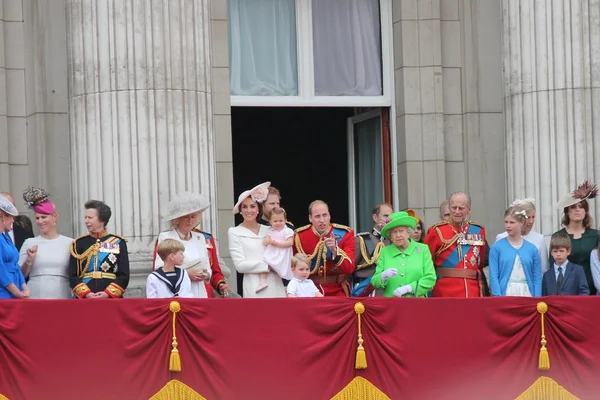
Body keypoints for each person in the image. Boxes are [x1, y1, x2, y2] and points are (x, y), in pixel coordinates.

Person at [153, 192, 229, 298]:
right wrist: (185, 274)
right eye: (185, 217)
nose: (190, 220)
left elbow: (208, 267)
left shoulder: (201, 238)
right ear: (177, 219)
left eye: (193, 216)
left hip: (200, 292)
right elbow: (159, 268)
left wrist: (205, 274)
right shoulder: (166, 237)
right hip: (176, 292)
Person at [424, 192, 487, 297]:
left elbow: (479, 262)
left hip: (472, 290)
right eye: (453, 208)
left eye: (461, 208)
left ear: (469, 209)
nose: (457, 211)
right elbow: (427, 262)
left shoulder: (478, 230)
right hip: (445, 291)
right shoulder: (437, 231)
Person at [229, 182, 285, 298]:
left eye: (252, 206)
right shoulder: (234, 232)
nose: (249, 210)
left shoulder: (270, 229)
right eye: (245, 207)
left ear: (258, 208)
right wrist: (268, 266)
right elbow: (240, 265)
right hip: (253, 287)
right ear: (240, 210)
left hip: (276, 284)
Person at [18, 187, 72, 299]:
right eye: (37, 218)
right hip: (35, 295)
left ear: (55, 217)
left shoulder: (70, 243)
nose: (40, 221)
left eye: (44, 217)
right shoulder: (29, 242)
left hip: (62, 295)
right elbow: (20, 275)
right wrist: (29, 260)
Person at [69, 200, 130, 299]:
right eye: (85, 217)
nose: (86, 221)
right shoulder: (79, 244)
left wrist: (108, 293)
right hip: (84, 298)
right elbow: (73, 275)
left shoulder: (118, 242)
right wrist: (86, 293)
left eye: (90, 218)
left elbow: (124, 275)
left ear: (101, 219)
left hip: (110, 298)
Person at [293, 200, 355, 297]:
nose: (322, 220)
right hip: (309, 291)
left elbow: (349, 269)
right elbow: (293, 267)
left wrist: (335, 251)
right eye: (317, 216)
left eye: (325, 215)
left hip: (337, 290)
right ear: (310, 218)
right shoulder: (299, 237)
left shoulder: (345, 234)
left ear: (329, 215)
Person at [371, 211, 436, 297]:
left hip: (417, 304)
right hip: (392, 304)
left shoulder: (423, 249)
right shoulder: (385, 252)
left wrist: (410, 288)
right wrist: (383, 276)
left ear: (408, 233)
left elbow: (430, 278)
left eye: (401, 231)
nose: (398, 235)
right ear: (390, 236)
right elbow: (374, 282)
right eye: (394, 232)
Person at [552, 181, 600, 295]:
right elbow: (552, 266)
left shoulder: (596, 235)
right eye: (573, 207)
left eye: (581, 207)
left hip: (592, 291)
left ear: (585, 211)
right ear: (567, 212)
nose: (577, 210)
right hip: (566, 291)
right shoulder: (558, 236)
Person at [489, 206, 541, 297]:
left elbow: (537, 277)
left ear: (521, 223)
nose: (508, 226)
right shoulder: (497, 247)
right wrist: (497, 296)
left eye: (512, 222)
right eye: (506, 222)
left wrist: (537, 298)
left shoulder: (532, 249)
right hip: (505, 294)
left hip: (527, 293)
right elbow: (493, 275)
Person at [495, 198, 549, 275]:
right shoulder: (501, 238)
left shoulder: (539, 239)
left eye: (533, 217)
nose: (531, 222)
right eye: (528, 217)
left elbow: (544, 269)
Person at [353, 203, 392, 297]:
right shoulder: (363, 239)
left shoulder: (392, 241)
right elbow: (351, 269)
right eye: (385, 216)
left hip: (387, 291)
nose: (388, 220)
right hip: (367, 290)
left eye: (390, 217)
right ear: (375, 218)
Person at [0, 194, 29, 299]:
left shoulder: (6, 238)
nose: (13, 221)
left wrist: (24, 287)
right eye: (11, 217)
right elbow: (1, 270)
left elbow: (15, 266)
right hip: (3, 294)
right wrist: (17, 292)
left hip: (15, 292)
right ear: (3, 217)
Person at [259, 207, 294, 293]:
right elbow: (265, 241)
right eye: (275, 221)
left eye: (280, 221)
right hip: (272, 252)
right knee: (264, 263)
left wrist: (277, 244)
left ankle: (287, 286)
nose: (278, 223)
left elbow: (290, 243)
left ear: (285, 220)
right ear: (270, 221)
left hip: (282, 254)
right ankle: (262, 281)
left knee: (284, 269)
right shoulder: (270, 230)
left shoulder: (287, 231)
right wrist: (267, 241)